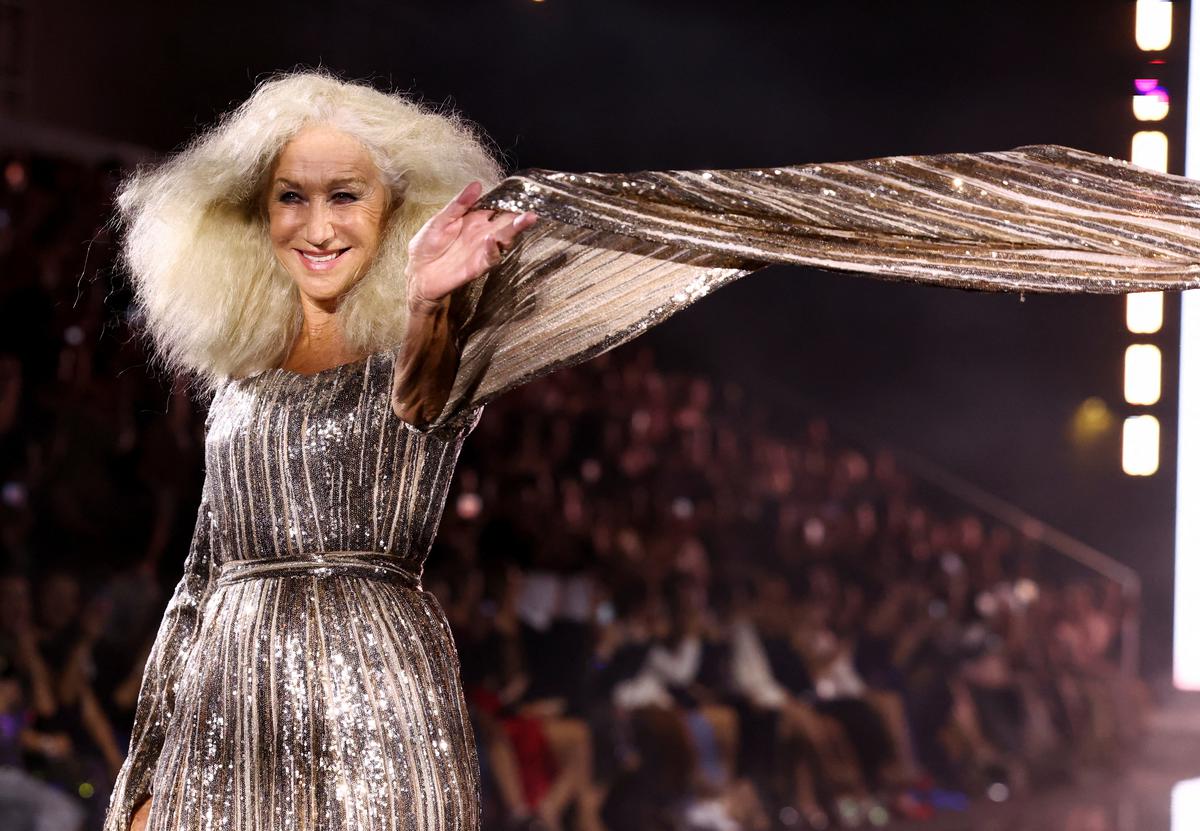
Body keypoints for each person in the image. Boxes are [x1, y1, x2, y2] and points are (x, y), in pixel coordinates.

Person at [104, 68, 1200, 831]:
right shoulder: (234, 380)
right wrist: (147, 773)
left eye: (349, 194)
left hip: (366, 683)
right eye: (291, 196)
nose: (319, 222)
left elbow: (415, 405)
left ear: (395, 211)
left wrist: (436, 305)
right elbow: (198, 583)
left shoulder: (431, 345)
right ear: (253, 215)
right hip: (224, 697)